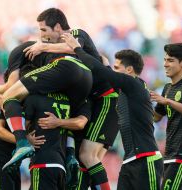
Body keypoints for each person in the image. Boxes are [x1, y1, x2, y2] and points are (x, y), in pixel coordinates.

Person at [24, 8, 119, 189]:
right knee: (86, 162)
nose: (42, 36)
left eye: (44, 30)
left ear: (58, 27)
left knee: (86, 155)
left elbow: (73, 47)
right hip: (93, 101)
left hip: (106, 99)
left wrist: (42, 46)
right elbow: (100, 59)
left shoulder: (75, 34)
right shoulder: (59, 54)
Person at [61, 33, 163, 190]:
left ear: (129, 70)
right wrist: (106, 64)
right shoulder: (128, 89)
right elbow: (105, 74)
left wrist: (76, 48)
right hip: (130, 161)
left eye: (117, 68)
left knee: (87, 155)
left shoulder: (133, 83)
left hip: (146, 159)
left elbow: (99, 71)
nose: (113, 71)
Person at [150, 43, 182, 189]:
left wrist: (168, 101)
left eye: (170, 60)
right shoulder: (167, 88)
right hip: (170, 154)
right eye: (165, 60)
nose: (165, 64)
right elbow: (156, 117)